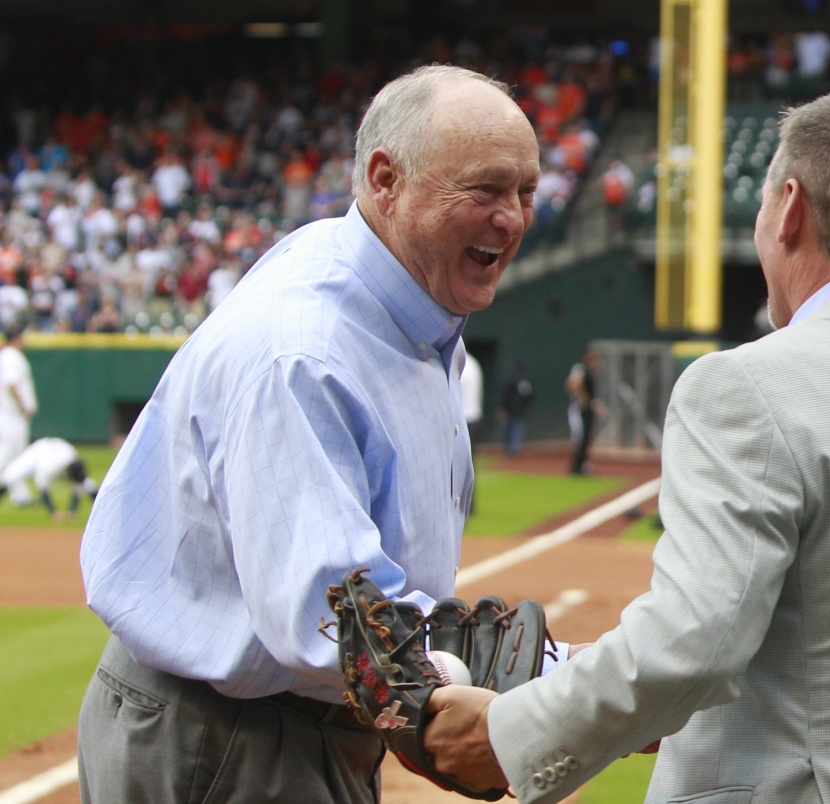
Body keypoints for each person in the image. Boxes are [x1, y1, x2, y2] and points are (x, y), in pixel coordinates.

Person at [423, 89, 830, 803]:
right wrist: (585, 679)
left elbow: (692, 649)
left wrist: (505, 737)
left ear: (789, 207)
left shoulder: (747, 385)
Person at [77, 64, 542, 804]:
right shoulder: (303, 349)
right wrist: (570, 687)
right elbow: (333, 613)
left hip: (289, 729)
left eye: (526, 192)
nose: (512, 217)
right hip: (231, 742)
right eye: (485, 189)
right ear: (385, 180)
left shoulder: (400, 297)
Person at [0, 437, 98, 519]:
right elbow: (42, 487)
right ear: (67, 472)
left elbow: (78, 484)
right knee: (9, 476)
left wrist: (73, 510)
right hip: (38, 452)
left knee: (89, 485)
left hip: (59, 450)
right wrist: (53, 510)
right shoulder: (49, 467)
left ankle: (101, 508)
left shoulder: (74, 461)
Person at [0, 322, 38, 506]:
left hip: (10, 415)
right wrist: (23, 405)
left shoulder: (7, 355)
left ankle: (20, 495)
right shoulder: (12, 356)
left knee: (17, 455)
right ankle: (20, 494)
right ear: (16, 338)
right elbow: (12, 384)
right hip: (10, 416)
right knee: (7, 454)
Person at [565, 349, 605, 475]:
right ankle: (577, 466)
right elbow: (572, 384)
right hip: (580, 409)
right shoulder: (581, 369)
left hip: (587, 409)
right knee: (580, 438)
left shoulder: (590, 373)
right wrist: (582, 397)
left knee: (586, 438)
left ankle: (582, 464)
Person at [461, 350, 483, 514]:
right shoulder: (473, 362)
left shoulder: (459, 362)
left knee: (455, 467)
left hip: (463, 419)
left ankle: (464, 506)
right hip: (474, 416)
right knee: (469, 464)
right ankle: (469, 505)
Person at [499, 361, 533, 457]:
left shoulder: (517, 382)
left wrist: (504, 408)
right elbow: (528, 396)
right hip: (515, 411)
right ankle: (512, 449)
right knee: (513, 430)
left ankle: (513, 449)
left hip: (515, 411)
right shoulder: (520, 382)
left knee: (515, 429)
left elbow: (528, 395)